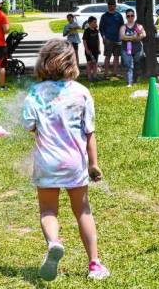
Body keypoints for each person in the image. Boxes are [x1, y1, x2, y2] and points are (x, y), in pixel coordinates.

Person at [22, 39, 110, 281]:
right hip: (75, 161)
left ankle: (53, 243)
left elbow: (30, 125)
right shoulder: (82, 92)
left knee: (48, 210)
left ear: (44, 62)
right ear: (72, 62)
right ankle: (94, 264)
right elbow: (89, 131)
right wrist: (93, 164)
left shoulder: (35, 93)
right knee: (83, 210)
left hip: (47, 161)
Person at [119, 9, 146, 87]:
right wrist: (134, 37)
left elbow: (144, 34)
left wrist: (130, 37)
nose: (130, 17)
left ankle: (135, 81)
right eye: (128, 16)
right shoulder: (123, 27)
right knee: (129, 65)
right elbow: (122, 37)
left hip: (137, 49)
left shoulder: (138, 26)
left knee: (137, 64)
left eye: (132, 15)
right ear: (126, 17)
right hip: (126, 48)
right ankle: (129, 82)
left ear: (134, 16)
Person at [99, 0, 124, 80]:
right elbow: (101, 28)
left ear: (115, 6)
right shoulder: (104, 16)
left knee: (116, 57)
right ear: (108, 6)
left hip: (118, 40)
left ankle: (115, 74)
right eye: (110, 5)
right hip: (108, 40)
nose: (111, 7)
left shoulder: (119, 16)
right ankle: (106, 74)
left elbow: (122, 27)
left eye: (113, 5)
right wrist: (103, 37)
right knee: (107, 57)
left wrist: (121, 36)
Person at [82, 16, 100, 82]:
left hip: (95, 50)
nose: (95, 23)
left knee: (95, 63)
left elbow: (98, 40)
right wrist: (86, 49)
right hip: (89, 50)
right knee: (89, 63)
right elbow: (84, 41)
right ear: (90, 23)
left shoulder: (96, 30)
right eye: (94, 22)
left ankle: (95, 76)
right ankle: (89, 76)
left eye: (96, 22)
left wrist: (99, 48)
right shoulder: (87, 31)